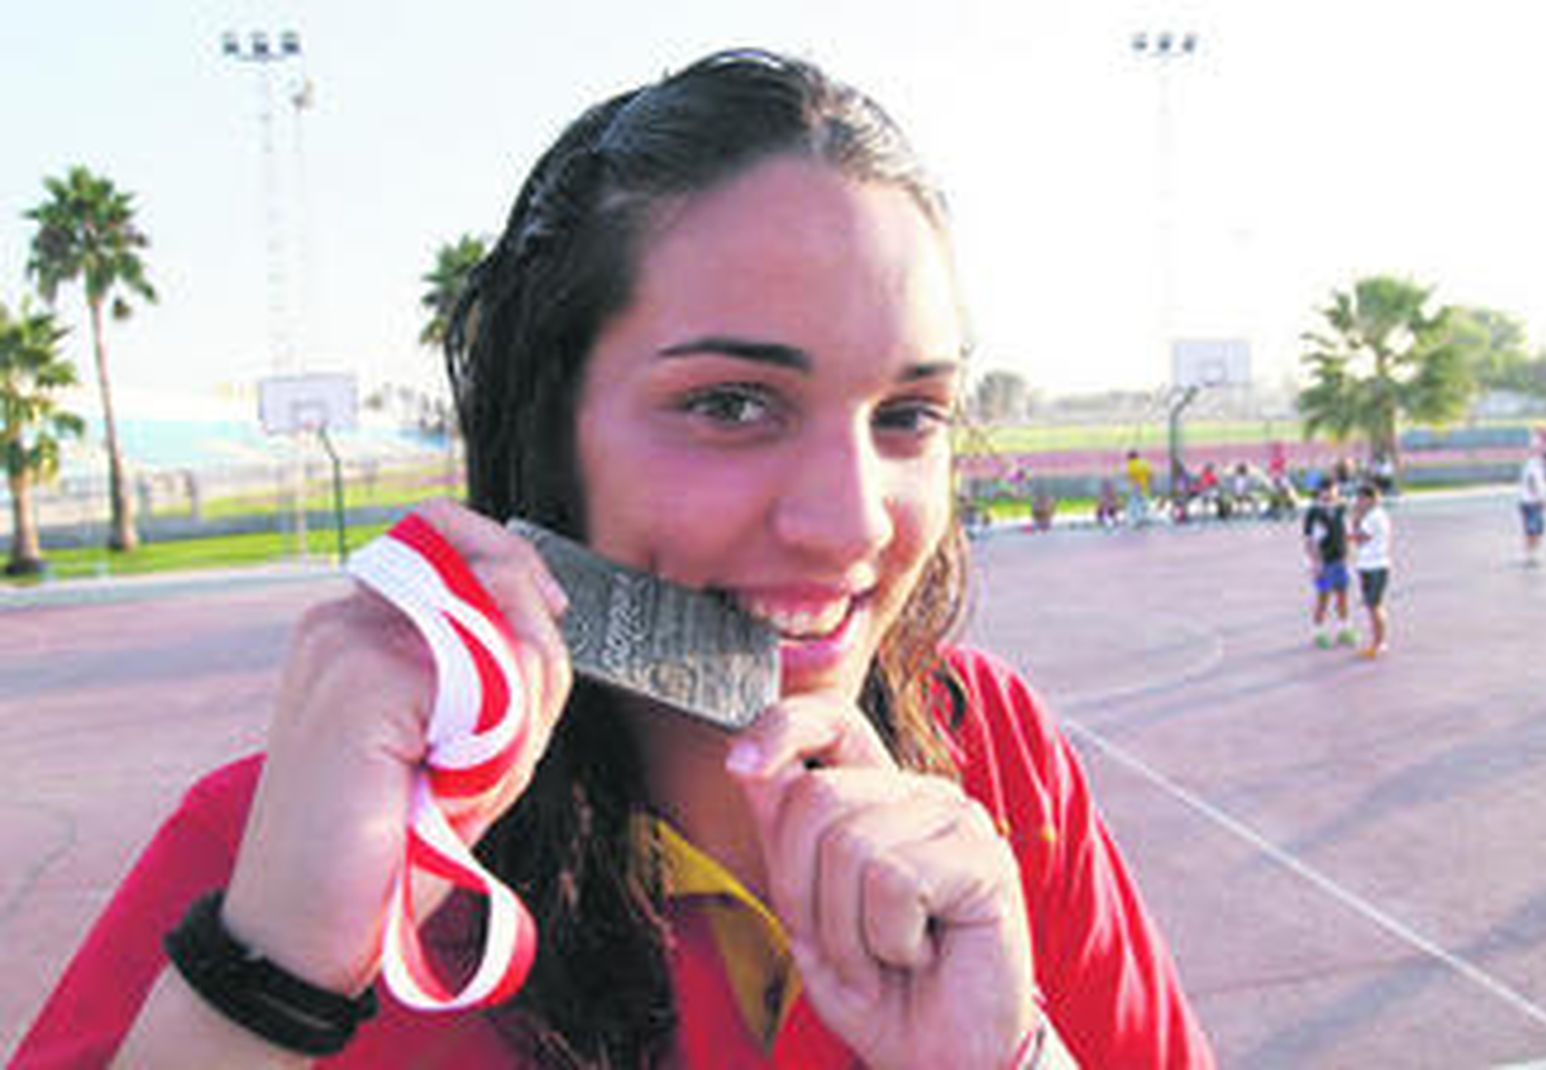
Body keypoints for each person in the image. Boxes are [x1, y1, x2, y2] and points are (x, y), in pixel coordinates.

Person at [15, 50, 1212, 1069]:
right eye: (733, 403)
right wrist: (264, 975)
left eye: (907, 413)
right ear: (548, 430)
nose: (852, 523)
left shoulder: (988, 747)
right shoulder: (290, 838)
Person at [1303, 476, 1356, 649]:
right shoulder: (1313, 512)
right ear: (1320, 492)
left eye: (1333, 489)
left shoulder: (1342, 508)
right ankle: (1318, 632)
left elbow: (1346, 533)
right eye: (1326, 490)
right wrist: (1316, 563)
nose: (1330, 493)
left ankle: (1344, 629)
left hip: (1340, 559)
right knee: (1323, 598)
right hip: (1324, 562)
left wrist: (1349, 555)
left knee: (1342, 596)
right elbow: (1309, 540)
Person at [1348, 482, 1392, 658]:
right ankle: (1378, 641)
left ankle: (1379, 643)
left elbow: (1360, 538)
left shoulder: (1375, 517)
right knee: (1372, 606)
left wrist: (1344, 533)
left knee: (1375, 606)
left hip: (1376, 566)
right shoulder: (1371, 515)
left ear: (1370, 499)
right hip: (1367, 565)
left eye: (1360, 499)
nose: (1357, 502)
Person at [1518, 448, 1546, 566]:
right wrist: (1542, 499)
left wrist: (1544, 500)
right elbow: (1532, 482)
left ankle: (1533, 555)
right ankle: (1530, 557)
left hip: (1534, 503)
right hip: (1530, 503)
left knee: (1538, 530)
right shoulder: (1534, 467)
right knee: (1532, 531)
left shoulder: (1537, 466)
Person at [1124, 449, 1152, 526]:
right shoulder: (1145, 463)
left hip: (1136, 487)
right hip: (1145, 487)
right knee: (1144, 504)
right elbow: (1150, 475)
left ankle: (1137, 520)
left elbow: (1132, 476)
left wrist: (1136, 486)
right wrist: (1147, 484)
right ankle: (1143, 518)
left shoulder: (1131, 464)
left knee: (1134, 505)